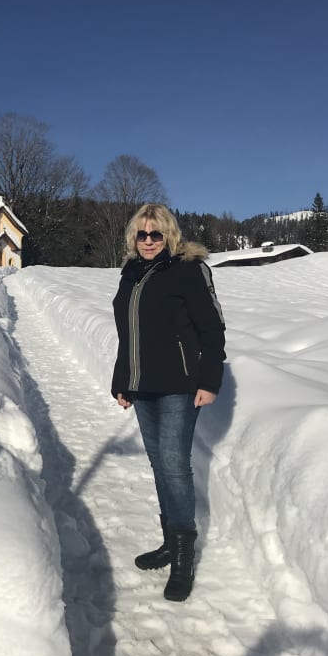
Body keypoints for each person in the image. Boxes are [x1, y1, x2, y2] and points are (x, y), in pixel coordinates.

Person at [111, 203, 226, 602]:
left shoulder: (188, 270)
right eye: (141, 235)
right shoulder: (131, 272)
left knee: (175, 466)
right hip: (142, 386)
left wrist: (210, 380)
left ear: (169, 235)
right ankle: (168, 541)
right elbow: (129, 335)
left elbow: (213, 328)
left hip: (179, 384)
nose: (147, 242)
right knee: (159, 463)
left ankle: (183, 559)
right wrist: (121, 380)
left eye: (155, 234)